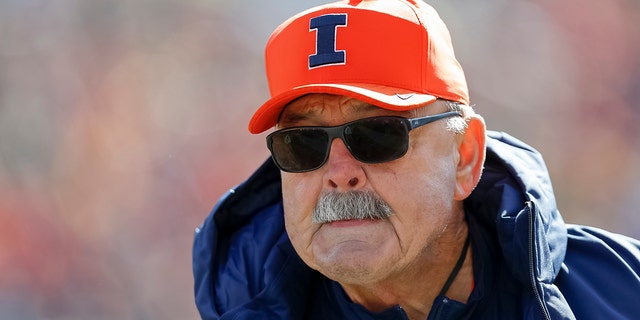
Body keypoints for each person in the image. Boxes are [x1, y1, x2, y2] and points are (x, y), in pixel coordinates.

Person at [192, 0, 640, 319]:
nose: (339, 173)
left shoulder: (624, 291)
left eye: (377, 134)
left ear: (465, 156)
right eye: (304, 143)